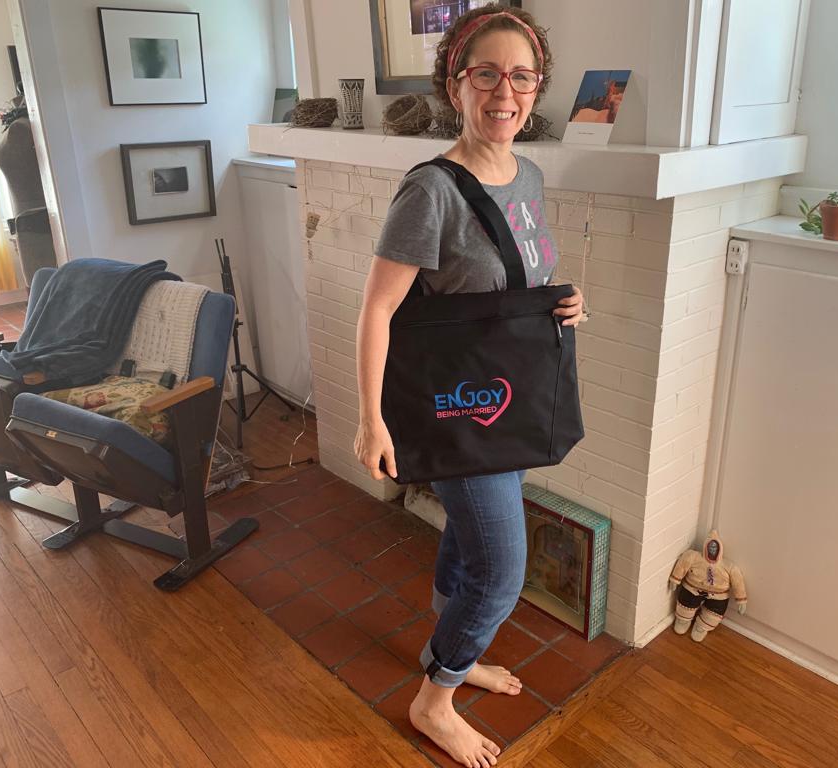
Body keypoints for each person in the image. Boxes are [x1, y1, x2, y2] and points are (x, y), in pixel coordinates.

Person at [354, 5, 583, 767]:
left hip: (507, 399)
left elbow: (510, 285)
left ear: (536, 85)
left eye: (521, 76)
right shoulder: (431, 192)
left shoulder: (532, 174)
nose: (504, 91)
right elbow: (379, 308)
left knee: (466, 541)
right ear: (457, 84)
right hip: (455, 407)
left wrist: (562, 301)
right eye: (486, 73)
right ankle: (436, 697)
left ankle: (453, 651)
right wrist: (370, 420)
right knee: (500, 570)